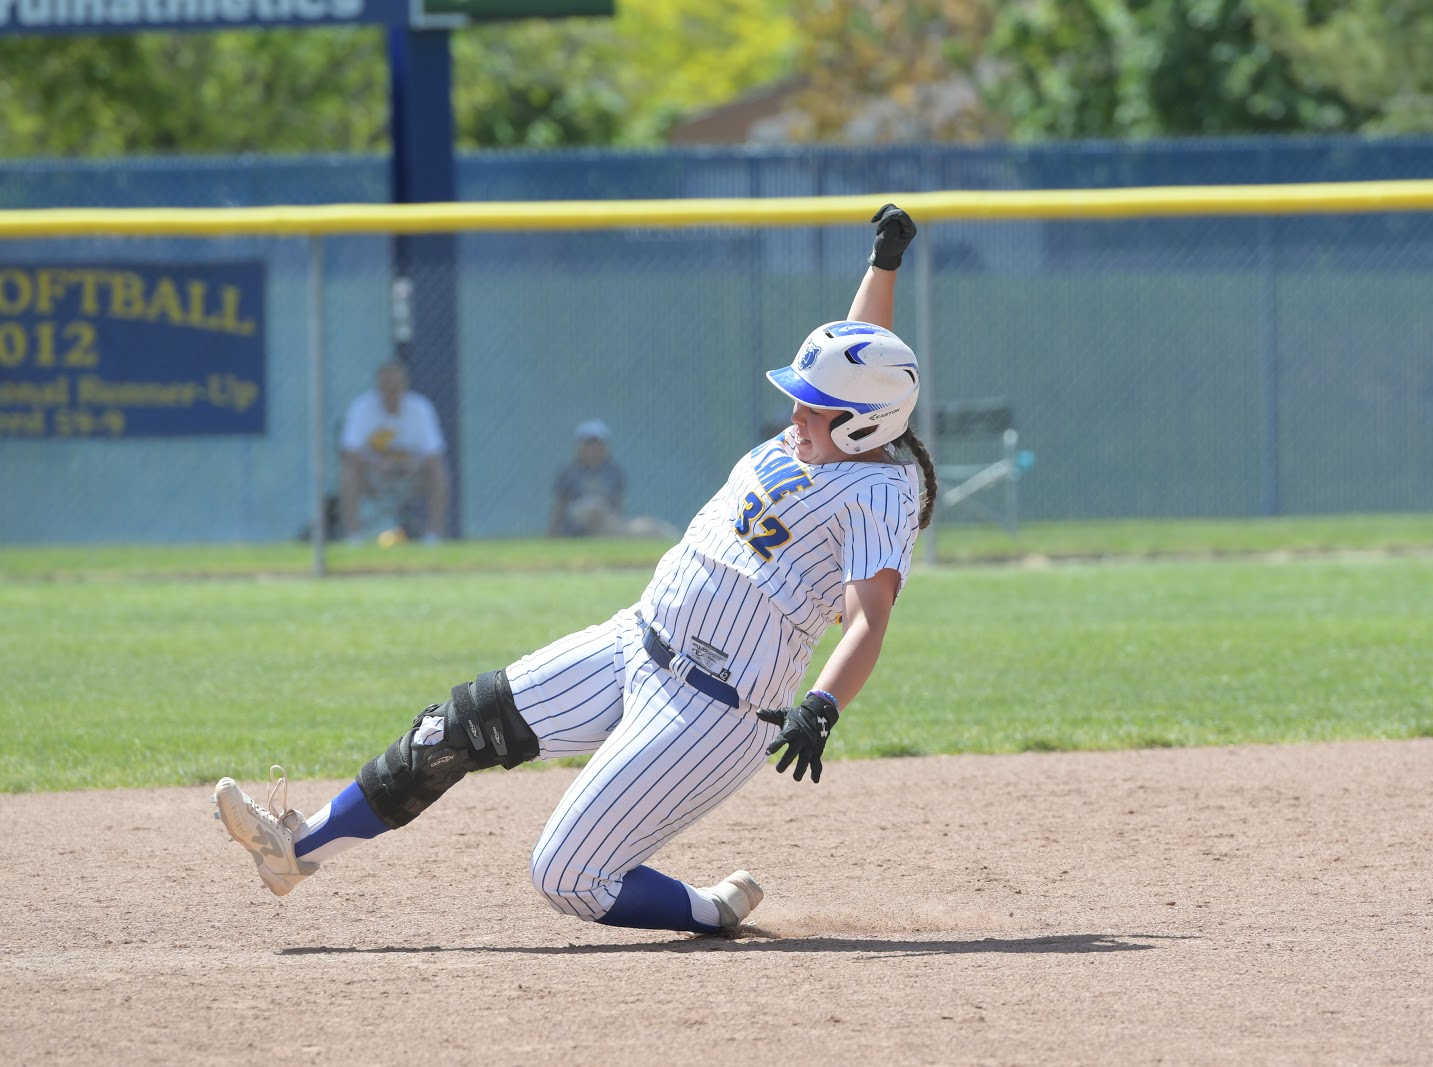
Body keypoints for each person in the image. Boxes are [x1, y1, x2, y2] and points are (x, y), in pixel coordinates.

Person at [211, 204, 935, 936]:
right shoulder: (829, 433)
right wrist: (884, 263)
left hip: (713, 710)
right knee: (453, 727)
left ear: (863, 423)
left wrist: (823, 703)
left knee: (565, 875)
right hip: (635, 641)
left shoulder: (877, 491)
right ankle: (293, 851)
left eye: (813, 407)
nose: (795, 411)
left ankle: (709, 911)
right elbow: (859, 358)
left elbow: (869, 620)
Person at [338, 360, 449, 544]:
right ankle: (354, 537)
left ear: (405, 385)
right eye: (386, 385)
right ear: (378, 386)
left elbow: (434, 452)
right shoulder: (362, 408)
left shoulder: (421, 409)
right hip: (373, 477)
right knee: (348, 471)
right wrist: (376, 463)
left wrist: (414, 463)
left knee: (438, 472)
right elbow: (349, 451)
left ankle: (432, 537)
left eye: (396, 385)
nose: (391, 391)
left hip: (412, 477)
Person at [549, 419, 626, 537]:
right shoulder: (568, 472)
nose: (593, 448)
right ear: (579, 446)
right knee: (592, 507)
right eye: (589, 444)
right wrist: (553, 533)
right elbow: (560, 506)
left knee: (646, 527)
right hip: (574, 527)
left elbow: (618, 505)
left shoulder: (613, 472)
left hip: (604, 525)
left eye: (597, 444)